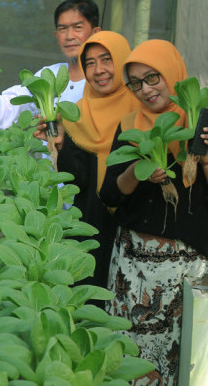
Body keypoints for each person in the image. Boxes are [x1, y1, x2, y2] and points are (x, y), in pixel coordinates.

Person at [99, 40, 208, 384]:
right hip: (130, 271)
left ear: (172, 73)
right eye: (136, 83)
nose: (146, 90)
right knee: (128, 360)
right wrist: (138, 170)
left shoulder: (198, 122)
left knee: (180, 361)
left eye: (153, 78)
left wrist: (204, 155)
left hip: (184, 274)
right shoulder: (130, 124)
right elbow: (110, 193)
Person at [33, 31, 142, 291]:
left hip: (133, 230)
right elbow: (77, 180)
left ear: (122, 60)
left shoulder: (142, 109)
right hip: (91, 228)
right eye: (90, 63)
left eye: (106, 60)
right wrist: (61, 144)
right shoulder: (77, 112)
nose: (98, 70)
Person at [0, 0, 101, 129]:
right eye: (62, 29)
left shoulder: (104, 78)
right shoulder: (50, 74)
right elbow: (13, 103)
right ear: (56, 35)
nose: (69, 36)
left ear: (95, 32)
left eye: (77, 27)